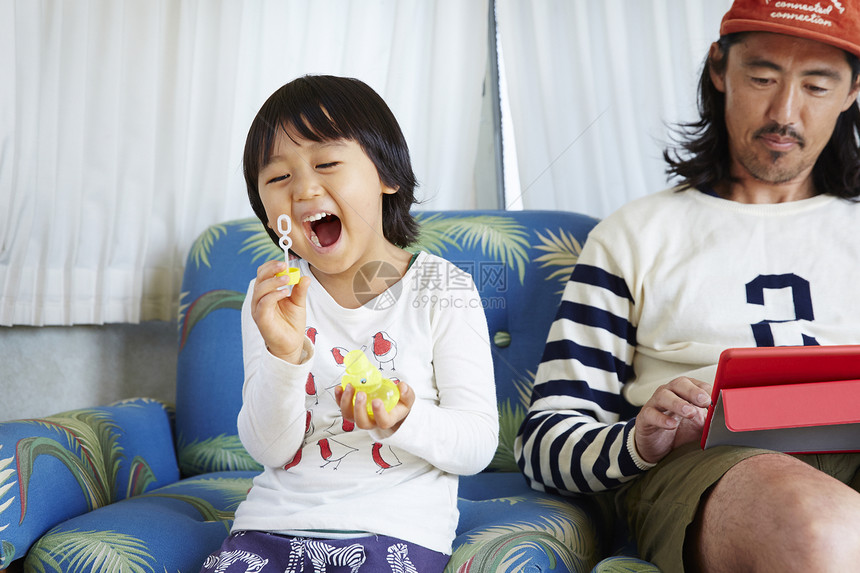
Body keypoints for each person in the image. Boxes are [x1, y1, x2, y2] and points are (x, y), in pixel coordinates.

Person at [515, 1, 860, 571]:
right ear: (719, 69)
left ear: (852, 93)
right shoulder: (635, 234)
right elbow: (544, 444)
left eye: (817, 86)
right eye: (762, 77)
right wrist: (636, 440)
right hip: (710, 466)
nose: (785, 112)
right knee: (816, 531)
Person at [200, 75, 498, 573]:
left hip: (395, 531)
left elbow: (475, 444)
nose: (303, 188)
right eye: (277, 178)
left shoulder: (444, 289)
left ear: (387, 175)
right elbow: (268, 447)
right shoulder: (269, 298)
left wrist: (404, 418)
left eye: (327, 163)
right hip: (269, 528)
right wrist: (285, 355)